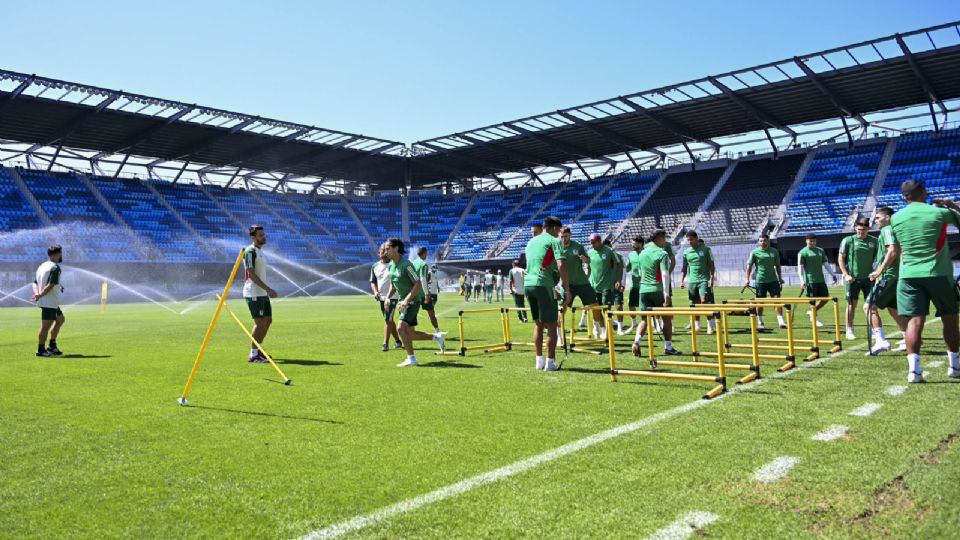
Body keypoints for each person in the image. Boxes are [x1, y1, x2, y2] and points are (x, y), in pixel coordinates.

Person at [889, 181, 960, 383]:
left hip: (909, 274)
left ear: (904, 197)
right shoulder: (939, 213)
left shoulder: (896, 218)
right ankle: (954, 366)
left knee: (914, 321)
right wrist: (952, 205)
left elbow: (897, 247)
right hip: (939, 273)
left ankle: (914, 371)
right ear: (924, 192)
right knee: (950, 318)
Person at [384, 238, 446, 367]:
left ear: (396, 248)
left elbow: (417, 283)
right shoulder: (391, 265)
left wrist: (407, 300)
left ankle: (411, 358)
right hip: (403, 302)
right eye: (385, 248)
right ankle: (437, 337)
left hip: (412, 301)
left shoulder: (407, 264)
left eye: (388, 248)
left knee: (401, 329)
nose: (386, 250)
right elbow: (393, 284)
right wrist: (388, 297)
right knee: (410, 334)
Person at [524, 216, 570, 371]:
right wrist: (567, 289)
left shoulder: (531, 242)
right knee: (551, 325)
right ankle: (550, 363)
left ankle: (539, 361)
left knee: (538, 324)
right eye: (559, 231)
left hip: (528, 285)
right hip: (543, 285)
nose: (559, 235)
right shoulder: (554, 241)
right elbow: (561, 264)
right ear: (555, 228)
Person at [632, 230, 682, 356]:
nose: (665, 242)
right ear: (659, 238)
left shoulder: (642, 253)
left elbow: (640, 273)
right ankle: (668, 347)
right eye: (664, 239)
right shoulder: (662, 253)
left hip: (643, 290)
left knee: (644, 319)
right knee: (666, 319)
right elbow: (665, 274)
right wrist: (666, 294)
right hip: (657, 290)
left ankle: (637, 341)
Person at [865, 207, 907, 354]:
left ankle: (881, 341)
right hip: (895, 276)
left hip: (888, 276)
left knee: (869, 307)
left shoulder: (887, 230)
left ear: (887, 217)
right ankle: (908, 338)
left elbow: (892, 251)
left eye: (878, 218)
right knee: (894, 309)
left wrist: (879, 271)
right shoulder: (894, 230)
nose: (875, 221)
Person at [242, 225, 278, 363]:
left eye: (263, 234)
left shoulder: (260, 251)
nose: (263, 237)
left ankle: (259, 350)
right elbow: (251, 274)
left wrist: (266, 290)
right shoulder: (250, 251)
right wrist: (268, 288)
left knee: (268, 320)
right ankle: (253, 354)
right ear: (253, 237)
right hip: (254, 292)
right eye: (260, 235)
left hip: (262, 292)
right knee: (259, 323)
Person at [839, 218, 879, 340]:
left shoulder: (874, 241)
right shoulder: (848, 240)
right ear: (855, 228)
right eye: (859, 229)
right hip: (853, 279)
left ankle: (874, 330)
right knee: (852, 304)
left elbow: (878, 258)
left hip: (869, 279)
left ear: (868, 229)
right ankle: (849, 329)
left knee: (872, 305)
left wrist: (876, 272)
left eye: (864, 229)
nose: (861, 232)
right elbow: (841, 258)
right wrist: (846, 274)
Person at [558, 227, 602, 335]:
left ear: (570, 235)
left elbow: (588, 261)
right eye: (562, 236)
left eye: (566, 236)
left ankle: (597, 328)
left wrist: (585, 259)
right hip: (567, 284)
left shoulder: (578, 246)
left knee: (595, 305)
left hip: (582, 282)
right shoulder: (556, 247)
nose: (563, 239)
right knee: (562, 308)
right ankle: (558, 334)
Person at [31, 244, 66, 357]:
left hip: (50, 301)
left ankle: (52, 345)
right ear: (56, 254)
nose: (61, 255)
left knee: (60, 319)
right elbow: (51, 284)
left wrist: (37, 294)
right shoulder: (55, 267)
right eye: (60, 253)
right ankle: (41, 350)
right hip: (49, 302)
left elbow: (34, 283)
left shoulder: (42, 266)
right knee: (45, 327)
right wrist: (40, 295)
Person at [745, 233, 786, 330]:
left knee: (777, 300)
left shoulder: (774, 251)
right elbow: (749, 266)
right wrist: (747, 279)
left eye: (765, 240)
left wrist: (780, 277)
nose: (763, 242)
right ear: (758, 242)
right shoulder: (754, 252)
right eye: (761, 241)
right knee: (760, 303)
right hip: (760, 281)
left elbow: (778, 266)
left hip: (773, 280)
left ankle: (781, 321)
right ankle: (761, 322)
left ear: (768, 241)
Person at [797, 233, 837, 328]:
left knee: (825, 299)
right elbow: (800, 268)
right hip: (810, 281)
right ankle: (815, 319)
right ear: (806, 241)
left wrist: (833, 274)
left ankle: (812, 312)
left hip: (821, 280)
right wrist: (802, 280)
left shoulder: (820, 251)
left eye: (814, 241)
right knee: (812, 301)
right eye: (810, 241)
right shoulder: (802, 252)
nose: (812, 243)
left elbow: (826, 264)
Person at [680, 231, 716, 334]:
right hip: (692, 281)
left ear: (696, 238)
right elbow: (684, 267)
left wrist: (712, 278)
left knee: (704, 301)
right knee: (694, 304)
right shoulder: (686, 252)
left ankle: (710, 325)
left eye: (691, 239)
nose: (690, 241)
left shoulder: (706, 250)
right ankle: (697, 326)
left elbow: (712, 265)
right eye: (688, 240)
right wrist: (682, 280)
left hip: (704, 280)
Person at [370, 244, 403, 352]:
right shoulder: (375, 266)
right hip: (381, 298)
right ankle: (398, 341)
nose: (382, 252)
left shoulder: (394, 265)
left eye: (385, 250)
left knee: (387, 319)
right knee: (389, 319)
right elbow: (373, 282)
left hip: (393, 296)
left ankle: (385, 343)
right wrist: (375, 292)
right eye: (381, 250)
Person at [586, 233, 618, 339]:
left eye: (594, 242)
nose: (592, 245)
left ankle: (608, 329)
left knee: (606, 310)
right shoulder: (589, 253)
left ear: (600, 241)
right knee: (596, 310)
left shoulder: (609, 251)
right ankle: (603, 330)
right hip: (593, 286)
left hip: (607, 286)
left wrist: (618, 280)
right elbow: (588, 269)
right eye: (591, 243)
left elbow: (619, 264)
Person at [412, 247, 443, 335]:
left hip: (413, 293)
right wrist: (426, 294)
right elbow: (423, 279)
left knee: (412, 314)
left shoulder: (412, 263)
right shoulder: (424, 264)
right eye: (427, 253)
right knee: (431, 313)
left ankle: (410, 332)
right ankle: (438, 331)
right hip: (422, 293)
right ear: (424, 253)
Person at [604, 239, 628, 335]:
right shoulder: (603, 258)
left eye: (609, 246)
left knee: (619, 306)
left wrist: (622, 283)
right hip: (606, 286)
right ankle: (608, 327)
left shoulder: (619, 257)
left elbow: (624, 270)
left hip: (616, 285)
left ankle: (620, 328)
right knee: (607, 307)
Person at [623, 235, 645, 333]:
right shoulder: (631, 254)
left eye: (634, 243)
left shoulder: (646, 253)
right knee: (631, 304)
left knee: (644, 306)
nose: (632, 245)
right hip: (634, 284)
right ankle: (634, 322)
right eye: (632, 243)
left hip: (646, 285)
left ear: (641, 243)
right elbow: (627, 268)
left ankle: (650, 323)